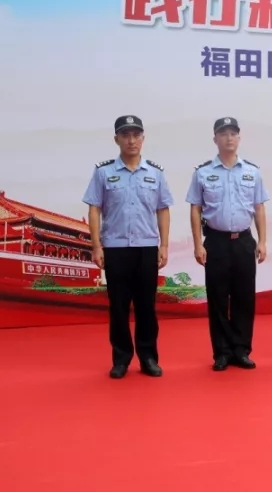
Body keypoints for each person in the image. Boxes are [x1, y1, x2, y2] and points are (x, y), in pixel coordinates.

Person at [82, 115, 174, 379]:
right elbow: (94, 209)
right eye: (125, 135)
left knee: (146, 307)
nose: (131, 140)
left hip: (146, 248)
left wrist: (164, 245)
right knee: (119, 307)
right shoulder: (103, 172)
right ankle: (121, 358)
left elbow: (163, 210)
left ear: (143, 138)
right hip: (115, 248)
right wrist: (96, 246)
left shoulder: (155, 173)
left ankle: (148, 357)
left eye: (136, 135)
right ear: (116, 139)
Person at [186, 117, 269, 371]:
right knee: (218, 298)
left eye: (233, 133)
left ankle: (241, 350)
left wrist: (262, 241)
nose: (229, 138)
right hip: (216, 242)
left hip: (243, 241)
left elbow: (259, 208)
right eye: (224, 134)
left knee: (244, 298)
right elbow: (195, 209)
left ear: (239, 138)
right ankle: (221, 352)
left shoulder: (252, 171)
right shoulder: (202, 172)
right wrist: (198, 244)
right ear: (215, 139)